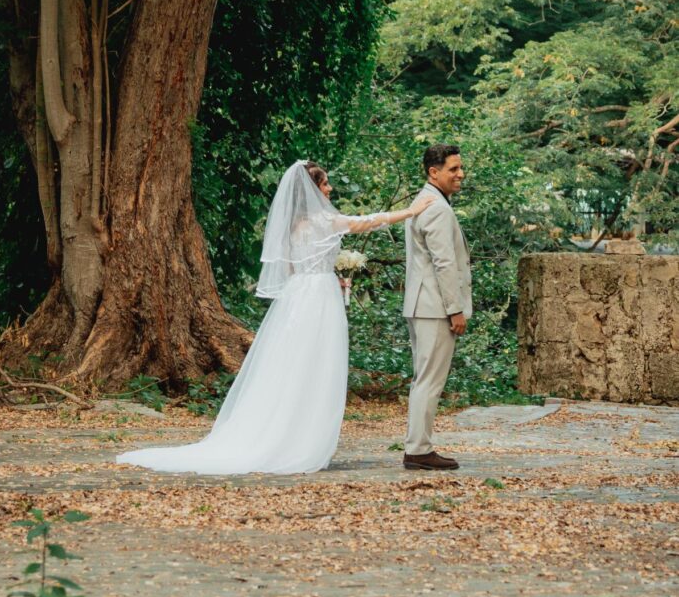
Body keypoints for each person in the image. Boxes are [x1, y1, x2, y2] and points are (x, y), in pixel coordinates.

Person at [116, 160, 433, 475]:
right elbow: (367, 222)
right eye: (324, 184)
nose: (329, 188)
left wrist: (329, 275)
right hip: (318, 300)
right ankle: (299, 440)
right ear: (313, 189)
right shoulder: (324, 220)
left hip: (298, 296)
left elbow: (296, 267)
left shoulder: (294, 227)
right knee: (315, 364)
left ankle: (286, 431)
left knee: (292, 362)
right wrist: (410, 211)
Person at [402, 144, 472, 470]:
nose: (460, 174)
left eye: (460, 168)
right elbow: (444, 263)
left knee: (424, 379)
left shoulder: (426, 201)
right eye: (453, 169)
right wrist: (455, 309)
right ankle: (418, 449)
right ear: (434, 172)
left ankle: (418, 446)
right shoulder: (435, 208)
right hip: (434, 307)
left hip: (424, 303)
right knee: (429, 380)